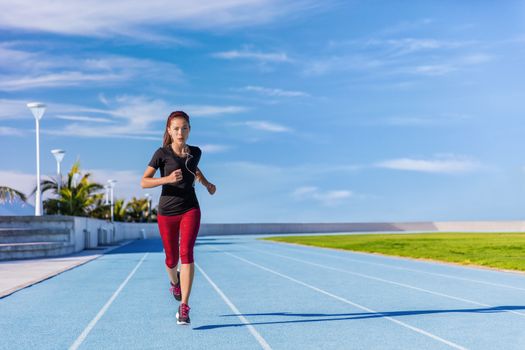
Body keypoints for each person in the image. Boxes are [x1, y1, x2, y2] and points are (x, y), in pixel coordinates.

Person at [141, 110, 216, 325]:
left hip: (190, 208)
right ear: (169, 131)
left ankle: (184, 306)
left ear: (189, 130)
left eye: (184, 128)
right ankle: (174, 283)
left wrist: (207, 184)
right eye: (176, 128)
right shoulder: (161, 153)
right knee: (171, 259)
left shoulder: (196, 152)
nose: (180, 132)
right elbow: (144, 181)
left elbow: (194, 169)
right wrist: (166, 179)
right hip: (167, 212)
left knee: (187, 253)